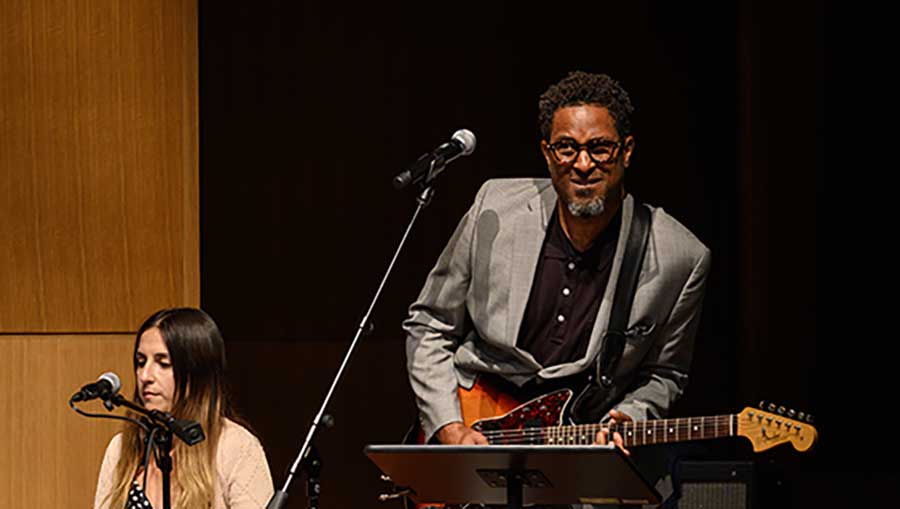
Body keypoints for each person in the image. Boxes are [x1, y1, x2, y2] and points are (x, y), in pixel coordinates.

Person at [404, 71, 711, 454]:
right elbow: (430, 324)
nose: (582, 164)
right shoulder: (494, 208)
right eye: (566, 148)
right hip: (471, 424)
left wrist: (631, 415)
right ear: (548, 154)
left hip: (575, 449)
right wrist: (450, 427)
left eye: (600, 148)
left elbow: (664, 374)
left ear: (627, 151)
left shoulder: (681, 256)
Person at [94, 307, 274, 509]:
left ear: (196, 373)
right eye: (141, 362)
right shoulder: (121, 449)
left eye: (163, 364)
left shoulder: (236, 447)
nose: (145, 376)